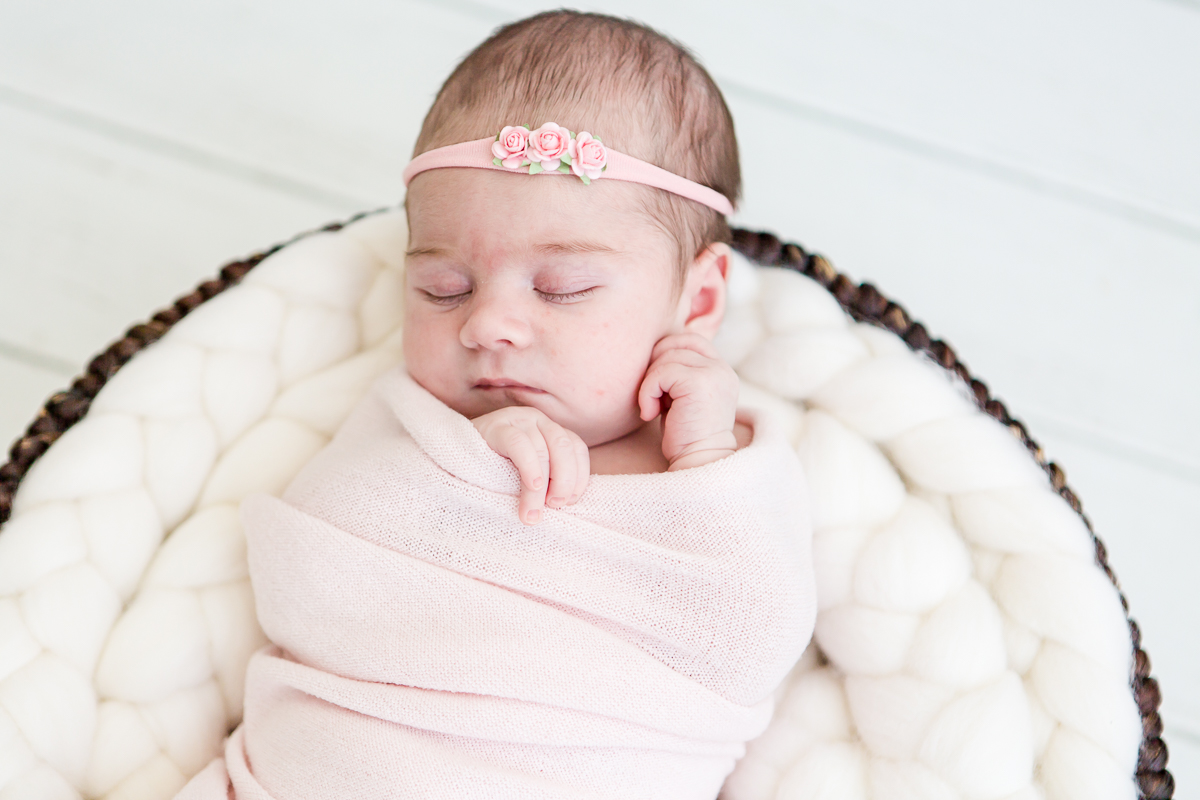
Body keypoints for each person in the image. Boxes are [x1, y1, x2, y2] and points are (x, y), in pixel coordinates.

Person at [176, 10, 814, 799]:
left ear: (698, 297)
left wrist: (707, 459)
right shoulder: (415, 426)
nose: (488, 325)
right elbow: (313, 565)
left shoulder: (720, 464)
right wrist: (467, 467)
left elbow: (750, 642)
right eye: (443, 290)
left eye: (562, 288)